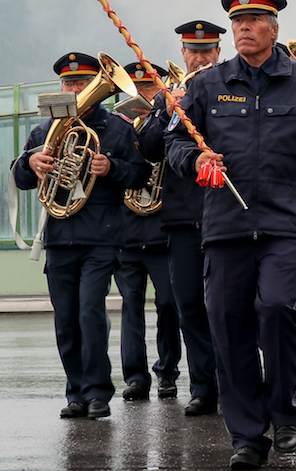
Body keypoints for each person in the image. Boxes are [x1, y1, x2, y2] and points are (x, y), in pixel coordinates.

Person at [165, 0, 296, 468]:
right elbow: (176, 145)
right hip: (224, 226)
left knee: (278, 310)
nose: (244, 28)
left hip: (287, 226)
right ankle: (247, 436)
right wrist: (195, 157)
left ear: (274, 28)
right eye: (237, 22)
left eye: (253, 21)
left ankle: (284, 415)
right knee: (228, 326)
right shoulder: (207, 84)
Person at [12, 52, 149, 420]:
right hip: (59, 237)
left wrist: (111, 167)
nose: (74, 89)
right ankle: (75, 392)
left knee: (90, 312)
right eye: (68, 83)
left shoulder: (117, 129)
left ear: (95, 87)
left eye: (82, 83)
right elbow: (20, 176)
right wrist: (30, 163)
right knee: (66, 319)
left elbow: (140, 174)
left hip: (101, 237)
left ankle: (98, 392)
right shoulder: (44, 131)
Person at [141, 19, 226, 417]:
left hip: (223, 214)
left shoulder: (229, 89)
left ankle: (234, 381)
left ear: (218, 54)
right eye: (193, 51)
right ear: (182, 55)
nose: (199, 57)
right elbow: (149, 150)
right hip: (181, 217)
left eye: (207, 51)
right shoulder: (164, 99)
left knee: (226, 306)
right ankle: (203, 386)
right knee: (188, 304)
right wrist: (166, 110)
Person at [115, 62, 182, 402]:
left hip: (161, 229)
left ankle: (167, 371)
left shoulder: (170, 123)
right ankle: (135, 377)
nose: (144, 95)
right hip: (126, 231)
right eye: (138, 90)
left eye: (152, 89)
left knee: (169, 303)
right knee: (131, 306)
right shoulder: (116, 127)